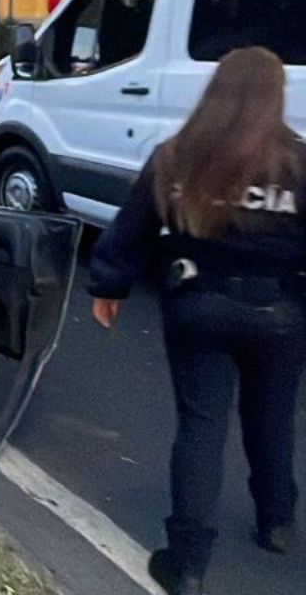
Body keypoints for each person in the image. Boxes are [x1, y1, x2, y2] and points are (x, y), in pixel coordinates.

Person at [88, 47, 305, 595]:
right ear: (276, 95)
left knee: (201, 428)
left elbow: (131, 228)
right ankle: (276, 523)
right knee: (272, 420)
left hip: (196, 308)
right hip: (278, 313)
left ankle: (185, 564)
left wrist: (109, 286)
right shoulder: (299, 163)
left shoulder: (176, 156)